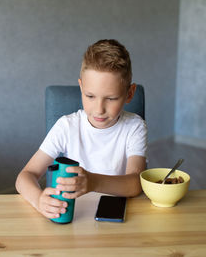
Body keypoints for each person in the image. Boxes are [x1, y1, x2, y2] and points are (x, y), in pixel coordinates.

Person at [15, 39, 148, 219]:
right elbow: (25, 176)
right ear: (81, 88)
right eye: (90, 96)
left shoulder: (135, 127)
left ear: (129, 94)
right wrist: (38, 200)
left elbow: (135, 183)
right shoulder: (66, 126)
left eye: (111, 98)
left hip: (115, 217)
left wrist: (93, 182)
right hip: (74, 215)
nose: (99, 109)